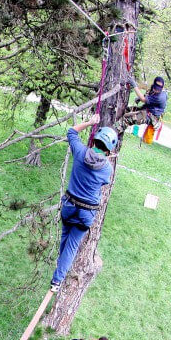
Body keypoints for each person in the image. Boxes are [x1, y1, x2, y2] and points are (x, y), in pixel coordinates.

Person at [50, 114, 115, 291]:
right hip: (86, 213)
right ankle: (57, 280)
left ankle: (60, 267)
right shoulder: (107, 169)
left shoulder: (79, 152)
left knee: (65, 237)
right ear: (108, 151)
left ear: (94, 141)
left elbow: (72, 132)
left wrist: (91, 122)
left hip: (69, 206)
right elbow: (103, 180)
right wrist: (105, 158)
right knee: (71, 245)